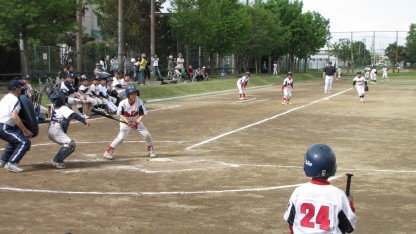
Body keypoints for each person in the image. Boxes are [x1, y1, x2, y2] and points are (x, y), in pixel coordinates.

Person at [283, 144, 357, 234]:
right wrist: (350, 203)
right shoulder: (339, 196)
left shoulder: (298, 192)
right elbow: (349, 227)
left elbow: (291, 223)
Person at [102, 84, 157, 160]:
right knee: (120, 138)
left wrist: (136, 123)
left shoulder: (139, 102)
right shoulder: (123, 103)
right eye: (132, 94)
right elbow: (120, 114)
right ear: (128, 95)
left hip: (135, 121)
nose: (134, 95)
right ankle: (108, 152)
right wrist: (126, 121)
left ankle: (151, 151)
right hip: (124, 121)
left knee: (147, 135)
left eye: (135, 93)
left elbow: (141, 115)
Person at [48, 90, 89, 169]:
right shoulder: (63, 108)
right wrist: (84, 121)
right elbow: (74, 115)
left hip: (52, 129)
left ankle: (58, 159)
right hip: (56, 130)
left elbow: (67, 99)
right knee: (70, 144)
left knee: (70, 145)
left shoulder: (54, 105)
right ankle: (57, 160)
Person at [0, 80, 32, 172]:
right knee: (24, 142)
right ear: (16, 88)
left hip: (3, 125)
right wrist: (25, 130)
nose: (21, 89)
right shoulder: (15, 99)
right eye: (20, 87)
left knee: (14, 141)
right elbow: (14, 116)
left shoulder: (5, 98)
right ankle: (11, 163)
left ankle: (3, 161)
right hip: (4, 126)